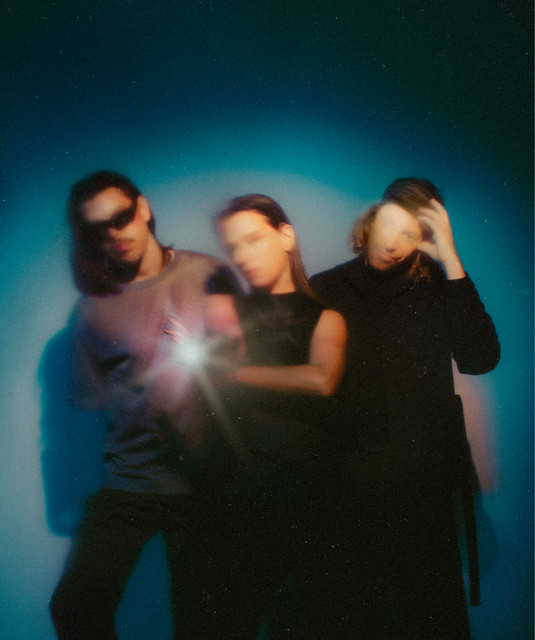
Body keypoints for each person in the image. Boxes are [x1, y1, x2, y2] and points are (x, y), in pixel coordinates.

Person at [310, 178, 500, 640]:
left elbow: (479, 359)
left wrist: (450, 258)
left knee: (431, 615)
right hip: (345, 481)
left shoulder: (440, 285)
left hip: (421, 483)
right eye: (389, 226)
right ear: (372, 218)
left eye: (411, 234)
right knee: (352, 617)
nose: (393, 245)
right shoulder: (327, 287)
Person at [49, 171, 233, 640]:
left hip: (205, 484)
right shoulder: (94, 307)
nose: (114, 233)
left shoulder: (210, 275)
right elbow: (93, 402)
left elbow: (245, 373)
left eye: (122, 217)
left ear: (143, 208)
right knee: (74, 608)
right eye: (98, 229)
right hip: (131, 481)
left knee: (203, 625)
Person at [174, 194, 347, 639]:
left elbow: (321, 379)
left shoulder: (325, 317)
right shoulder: (226, 310)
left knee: (301, 625)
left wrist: (234, 374)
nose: (242, 256)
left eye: (253, 240)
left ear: (286, 236)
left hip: (303, 497)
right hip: (231, 495)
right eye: (233, 247)